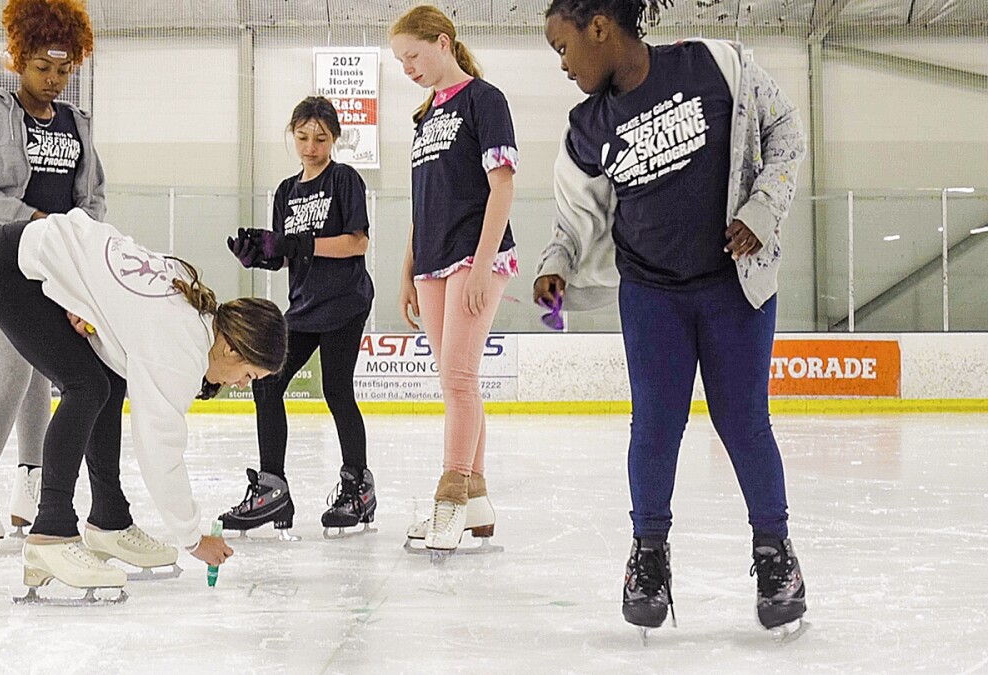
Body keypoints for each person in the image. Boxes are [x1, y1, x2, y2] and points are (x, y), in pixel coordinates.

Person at [536, 0, 808, 638]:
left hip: (732, 289)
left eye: (563, 47)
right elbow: (575, 223)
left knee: (743, 423)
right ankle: (649, 559)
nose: (564, 65)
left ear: (599, 26)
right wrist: (556, 264)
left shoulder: (717, 65)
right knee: (655, 426)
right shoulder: (585, 128)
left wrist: (764, 209)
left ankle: (776, 557)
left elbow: (785, 133)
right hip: (651, 294)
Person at [0, 208, 286, 602]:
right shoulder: (179, 350)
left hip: (32, 258)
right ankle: (50, 533)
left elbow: (119, 282)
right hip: (8, 269)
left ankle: (109, 520)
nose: (240, 384)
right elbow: (160, 451)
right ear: (234, 348)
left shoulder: (196, 312)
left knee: (109, 380)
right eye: (249, 375)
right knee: (85, 386)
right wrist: (192, 537)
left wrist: (77, 294)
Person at [0, 0, 105, 549]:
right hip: (0, 262)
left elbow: (93, 198)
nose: (55, 79)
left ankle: (30, 488)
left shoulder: (77, 124)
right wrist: (30, 217)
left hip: (56, 266)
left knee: (43, 375)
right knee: (14, 372)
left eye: (64, 69)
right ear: (19, 58)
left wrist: (81, 239)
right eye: (43, 67)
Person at [388, 5, 519, 554]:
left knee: (460, 379)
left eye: (412, 56)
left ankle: (451, 499)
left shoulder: (484, 101)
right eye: (400, 61)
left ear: (443, 43)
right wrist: (408, 268)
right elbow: (426, 199)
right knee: (455, 383)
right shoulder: (423, 115)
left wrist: (483, 267)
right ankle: (479, 499)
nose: (407, 68)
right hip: (433, 261)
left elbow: (502, 187)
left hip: (475, 255)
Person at [222, 96, 376, 539]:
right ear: (293, 135)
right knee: (268, 382)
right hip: (304, 307)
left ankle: (358, 488)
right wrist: (264, 257)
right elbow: (289, 255)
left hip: (345, 301)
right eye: (303, 137)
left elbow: (356, 243)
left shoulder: (344, 180)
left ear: (334, 139)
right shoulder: (287, 191)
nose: (311, 147)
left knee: (336, 389)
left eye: (321, 138)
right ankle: (273, 490)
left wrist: (298, 244)